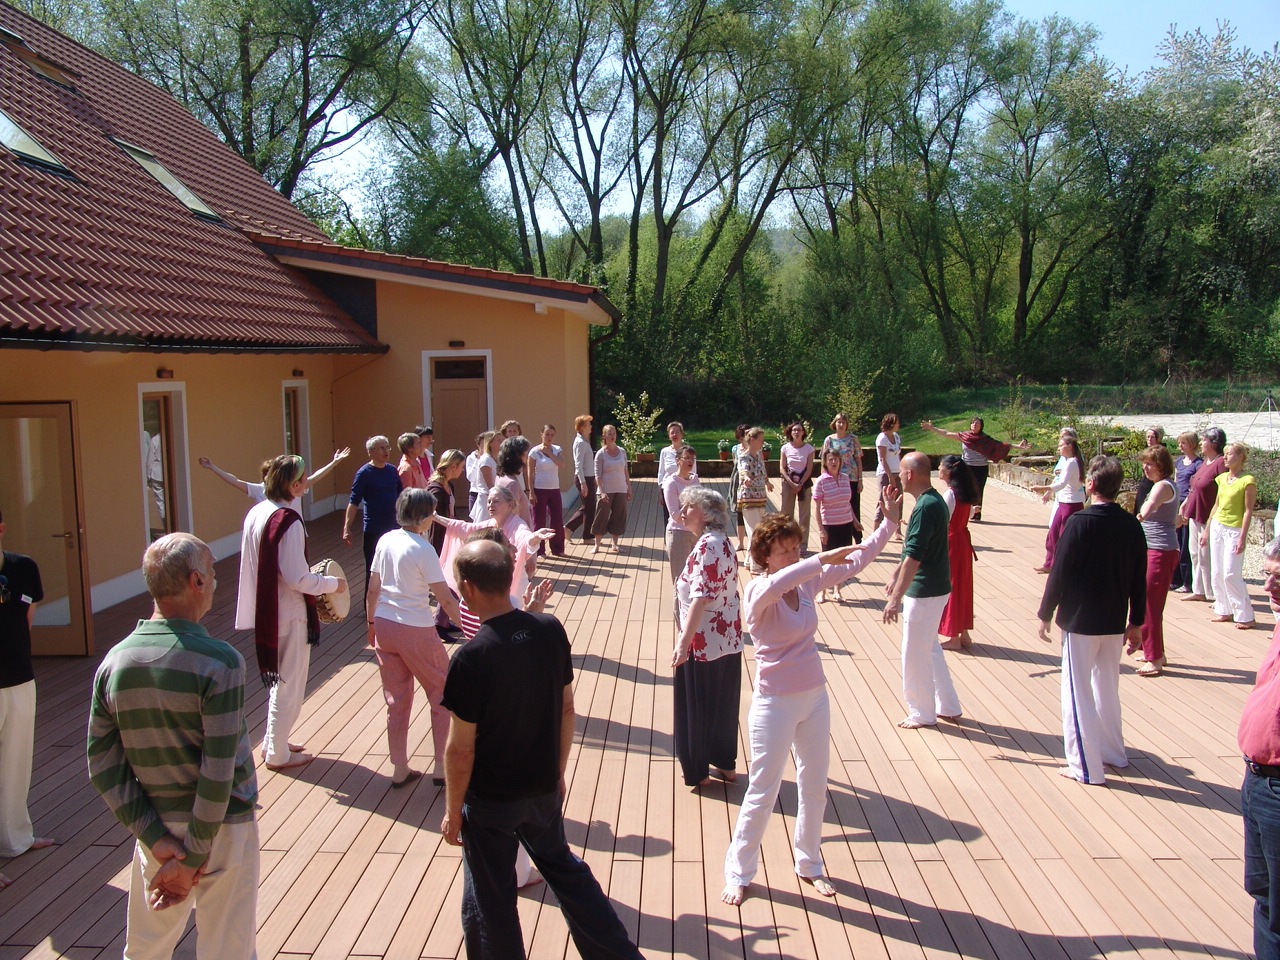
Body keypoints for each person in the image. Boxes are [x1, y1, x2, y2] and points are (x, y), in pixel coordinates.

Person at [440, 538, 644, 960]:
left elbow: (460, 751)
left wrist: (453, 811)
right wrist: (558, 771)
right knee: (566, 872)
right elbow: (567, 708)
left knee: (491, 898)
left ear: (469, 588)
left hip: (492, 800)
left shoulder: (470, 658)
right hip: (542, 788)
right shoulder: (549, 630)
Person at [721, 494, 901, 907]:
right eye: (782, 549)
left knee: (815, 786)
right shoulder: (758, 591)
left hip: (814, 698)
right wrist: (820, 559)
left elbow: (854, 562)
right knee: (763, 791)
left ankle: (809, 861)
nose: (793, 553)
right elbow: (790, 577)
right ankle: (739, 869)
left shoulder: (805, 580)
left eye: (796, 546)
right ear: (765, 555)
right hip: (774, 704)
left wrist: (887, 526)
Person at [88, 533, 259, 957]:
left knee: (146, 948)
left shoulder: (114, 664)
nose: (218, 581)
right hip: (220, 830)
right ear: (196, 581)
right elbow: (219, 770)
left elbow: (102, 765)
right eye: (214, 573)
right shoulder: (219, 661)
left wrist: (152, 834)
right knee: (228, 949)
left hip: (157, 830)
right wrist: (192, 859)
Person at [1036, 455, 1146, 785]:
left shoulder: (1079, 523)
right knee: (1106, 686)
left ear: (1092, 484)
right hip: (1114, 620)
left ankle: (1085, 766)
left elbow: (1061, 569)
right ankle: (1113, 752)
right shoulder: (1131, 525)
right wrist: (1137, 621)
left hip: (1081, 621)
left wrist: (1045, 612)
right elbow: (1139, 578)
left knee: (1076, 691)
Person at [237, 455, 346, 771]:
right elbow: (297, 577)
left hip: (270, 609)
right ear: (295, 485)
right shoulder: (288, 519)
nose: (306, 484)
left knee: (280, 683)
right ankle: (277, 753)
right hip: (289, 611)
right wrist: (332, 584)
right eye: (303, 480)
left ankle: (276, 741)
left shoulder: (258, 511)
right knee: (289, 685)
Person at [367, 488, 461, 788]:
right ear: (421, 516)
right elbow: (445, 599)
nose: (433, 518)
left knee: (396, 700)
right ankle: (441, 767)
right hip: (415, 628)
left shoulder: (385, 540)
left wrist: (371, 622)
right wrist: (471, 627)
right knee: (442, 693)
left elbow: (373, 589)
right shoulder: (423, 549)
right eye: (431, 513)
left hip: (384, 625)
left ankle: (399, 767)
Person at [882, 452, 963, 729]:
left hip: (925, 590)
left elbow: (915, 556)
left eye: (901, 471)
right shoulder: (934, 500)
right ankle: (947, 704)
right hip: (938, 586)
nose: (899, 476)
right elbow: (914, 548)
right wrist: (895, 573)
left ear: (910, 474)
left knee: (914, 652)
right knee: (929, 647)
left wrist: (894, 600)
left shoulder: (925, 507)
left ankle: (921, 711)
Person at [670, 487, 743, 788]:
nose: (683, 510)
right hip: (727, 639)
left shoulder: (705, 547)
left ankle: (698, 771)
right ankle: (725, 764)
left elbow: (700, 597)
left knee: (696, 707)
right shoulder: (723, 542)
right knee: (723, 704)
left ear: (705, 513)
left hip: (702, 642)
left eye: (688, 506)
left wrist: (682, 644)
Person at [0, 508, 53, 890]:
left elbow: (26, 621)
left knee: (16, 762)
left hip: (19, 677)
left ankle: (15, 838)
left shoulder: (24, 568)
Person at [1238, 536, 1280, 960]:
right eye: (1267, 575)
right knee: (1264, 897)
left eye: (1278, 578)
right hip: (1257, 780)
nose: (1267, 588)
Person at [920, 416, 1030, 521]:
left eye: (977, 423)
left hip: (980, 468)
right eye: (973, 423)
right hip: (966, 467)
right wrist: (931, 428)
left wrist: (1018, 446)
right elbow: (946, 433)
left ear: (981, 426)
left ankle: (976, 514)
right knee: (963, 489)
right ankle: (964, 512)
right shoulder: (964, 436)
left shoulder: (985, 439)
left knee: (977, 491)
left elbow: (1001, 445)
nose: (974, 425)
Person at [1131, 444, 1180, 675]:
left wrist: (1139, 517)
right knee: (1151, 604)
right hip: (1154, 548)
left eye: (1150, 463)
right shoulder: (1159, 485)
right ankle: (1156, 652)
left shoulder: (1162, 485)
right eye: (1144, 462)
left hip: (1161, 551)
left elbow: (1149, 507)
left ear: (1161, 465)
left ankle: (1154, 659)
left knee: (1150, 604)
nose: (1145, 467)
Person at [1205, 441, 1257, 629]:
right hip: (1219, 526)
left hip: (1234, 529)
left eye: (1230, 454)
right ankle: (1223, 609)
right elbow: (1217, 506)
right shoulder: (1222, 478)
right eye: (1225, 453)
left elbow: (1248, 510)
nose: (1225, 457)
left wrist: (1243, 537)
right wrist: (1208, 530)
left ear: (1241, 457)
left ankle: (1245, 614)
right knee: (1217, 571)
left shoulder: (1247, 480)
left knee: (1230, 573)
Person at [1179, 426, 1227, 603]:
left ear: (1213, 443)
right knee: (1195, 553)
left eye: (1204, 440)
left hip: (1208, 514)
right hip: (1194, 512)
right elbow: (1194, 486)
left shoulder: (1220, 462)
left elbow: (1223, 491)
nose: (1201, 443)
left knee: (1207, 554)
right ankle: (1198, 589)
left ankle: (1213, 592)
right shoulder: (1204, 462)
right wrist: (1185, 504)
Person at [344, 435, 404, 576]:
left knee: (394, 568)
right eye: (381, 448)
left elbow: (402, 496)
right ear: (370, 452)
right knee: (373, 570)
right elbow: (353, 502)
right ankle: (370, 598)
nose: (386, 451)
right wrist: (347, 528)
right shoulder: (364, 473)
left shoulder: (392, 470)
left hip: (394, 526)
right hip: (374, 528)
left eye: (387, 447)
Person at [937, 455, 979, 651]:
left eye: (941, 466)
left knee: (951, 585)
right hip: (963, 541)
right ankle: (964, 633)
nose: (938, 468)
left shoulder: (950, 494)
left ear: (948, 471)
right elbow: (968, 514)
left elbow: (942, 520)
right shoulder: (965, 493)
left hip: (952, 542)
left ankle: (953, 636)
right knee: (963, 584)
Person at [198, 447, 351, 501]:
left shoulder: (294, 487)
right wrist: (212, 467)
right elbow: (234, 481)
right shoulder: (260, 490)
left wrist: (334, 462)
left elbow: (315, 477)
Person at [1029, 432, 1086, 574]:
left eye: (1061, 445)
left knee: (1063, 536)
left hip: (1072, 504)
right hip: (1063, 502)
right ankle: (1050, 563)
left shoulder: (1073, 462)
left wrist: (1041, 488)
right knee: (1053, 533)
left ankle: (1063, 567)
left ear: (1070, 446)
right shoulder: (1068, 461)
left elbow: (1061, 483)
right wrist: (1048, 492)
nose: (1059, 448)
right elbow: (1059, 480)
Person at [811, 449, 861, 603]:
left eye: (836, 459)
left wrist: (855, 521)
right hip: (829, 525)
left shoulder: (845, 478)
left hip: (845, 524)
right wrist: (821, 529)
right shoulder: (821, 481)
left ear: (840, 462)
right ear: (825, 462)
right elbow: (817, 507)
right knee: (827, 560)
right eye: (830, 459)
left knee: (842, 559)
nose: (833, 462)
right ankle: (822, 591)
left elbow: (847, 503)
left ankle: (837, 590)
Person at [821, 413, 863, 542]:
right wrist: (823, 478)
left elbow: (858, 459)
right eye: (839, 422)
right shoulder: (829, 440)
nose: (841, 424)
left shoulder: (853, 439)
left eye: (843, 422)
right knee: (837, 505)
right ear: (835, 423)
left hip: (851, 477)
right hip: (834, 478)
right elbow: (824, 459)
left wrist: (860, 480)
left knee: (854, 506)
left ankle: (857, 537)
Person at [735, 427, 773, 568]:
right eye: (760, 440)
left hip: (760, 497)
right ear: (752, 440)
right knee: (754, 531)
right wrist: (745, 478)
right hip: (748, 498)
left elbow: (763, 471)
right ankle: (756, 564)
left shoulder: (759, 455)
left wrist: (767, 482)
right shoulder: (744, 456)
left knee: (759, 528)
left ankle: (748, 560)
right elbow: (743, 470)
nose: (763, 442)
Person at [661, 444, 700, 581]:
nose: (690, 461)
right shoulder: (671, 483)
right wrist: (689, 504)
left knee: (696, 579)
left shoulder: (695, 479)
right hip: (677, 534)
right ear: (678, 460)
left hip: (695, 533)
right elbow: (676, 516)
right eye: (687, 458)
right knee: (680, 581)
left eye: (692, 458)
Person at [1170, 431, 1202, 593]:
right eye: (1179, 443)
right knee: (1176, 541)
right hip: (1178, 503)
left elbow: (1194, 487)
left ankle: (1188, 581)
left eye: (1183, 443)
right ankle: (1175, 579)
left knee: (1186, 542)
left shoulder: (1198, 464)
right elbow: (1176, 482)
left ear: (1191, 443)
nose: (1180, 446)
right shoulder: (1179, 462)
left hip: (1188, 504)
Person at [592, 425, 632, 554]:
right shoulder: (600, 454)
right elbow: (597, 475)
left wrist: (628, 488)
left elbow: (625, 470)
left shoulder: (622, 451)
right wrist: (602, 491)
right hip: (606, 491)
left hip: (621, 489)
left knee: (619, 516)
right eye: (609, 434)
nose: (612, 436)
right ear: (604, 436)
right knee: (601, 516)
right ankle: (597, 545)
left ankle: (615, 544)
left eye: (614, 433)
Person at [529, 425, 566, 557]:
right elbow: (531, 473)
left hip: (554, 488)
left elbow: (562, 464)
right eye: (547, 434)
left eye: (552, 435)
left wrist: (550, 453)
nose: (549, 437)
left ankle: (557, 548)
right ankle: (539, 550)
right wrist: (531, 491)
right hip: (539, 488)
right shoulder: (534, 452)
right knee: (539, 520)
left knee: (557, 519)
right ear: (541, 435)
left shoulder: (556, 450)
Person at [779, 422, 815, 552]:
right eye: (794, 430)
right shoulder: (785, 448)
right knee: (786, 515)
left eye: (799, 430)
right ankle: (785, 544)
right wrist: (791, 483)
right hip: (788, 484)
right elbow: (782, 468)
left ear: (803, 432)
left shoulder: (809, 449)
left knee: (804, 515)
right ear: (790, 432)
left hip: (804, 484)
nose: (796, 432)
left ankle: (803, 545)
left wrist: (799, 484)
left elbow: (809, 469)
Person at [494, 435, 534, 526]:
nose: (527, 455)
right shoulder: (512, 484)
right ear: (518, 456)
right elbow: (513, 517)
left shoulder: (502, 477)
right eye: (525, 452)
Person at [568, 415, 596, 542]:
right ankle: (586, 535)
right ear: (583, 427)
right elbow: (578, 465)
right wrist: (583, 483)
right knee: (589, 507)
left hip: (589, 478)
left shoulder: (583, 441)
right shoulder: (580, 442)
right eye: (588, 424)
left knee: (588, 506)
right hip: (584, 479)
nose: (591, 426)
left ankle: (568, 529)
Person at [874, 413, 903, 529]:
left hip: (898, 473)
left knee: (899, 500)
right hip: (885, 474)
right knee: (882, 500)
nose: (898, 425)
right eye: (896, 422)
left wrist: (901, 470)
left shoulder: (896, 436)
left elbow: (898, 455)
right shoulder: (882, 438)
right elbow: (882, 459)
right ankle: (875, 529)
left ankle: (897, 530)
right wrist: (890, 477)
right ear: (890, 423)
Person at [657, 421, 686, 526]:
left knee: (685, 517)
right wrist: (660, 491)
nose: (675, 435)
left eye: (677, 432)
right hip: (668, 489)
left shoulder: (688, 451)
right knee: (668, 518)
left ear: (682, 434)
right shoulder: (665, 451)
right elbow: (661, 473)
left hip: (684, 490)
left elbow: (693, 472)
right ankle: (668, 541)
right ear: (669, 435)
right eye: (672, 433)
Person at [1132, 425, 1166, 514]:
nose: (1149, 440)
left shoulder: (1162, 453)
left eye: (1152, 437)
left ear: (1159, 438)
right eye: (1148, 437)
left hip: (1154, 486)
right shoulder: (1148, 451)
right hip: (1144, 485)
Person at [469, 431, 501, 523]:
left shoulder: (496, 459)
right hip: (486, 500)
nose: (501, 443)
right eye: (498, 440)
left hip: (494, 498)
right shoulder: (486, 460)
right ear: (490, 443)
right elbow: (490, 485)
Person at [727, 423, 749, 552]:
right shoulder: (735, 449)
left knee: (751, 513)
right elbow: (735, 466)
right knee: (739, 513)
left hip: (750, 485)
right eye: (741, 436)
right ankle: (740, 542)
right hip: (737, 482)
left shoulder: (755, 449)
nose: (743, 438)